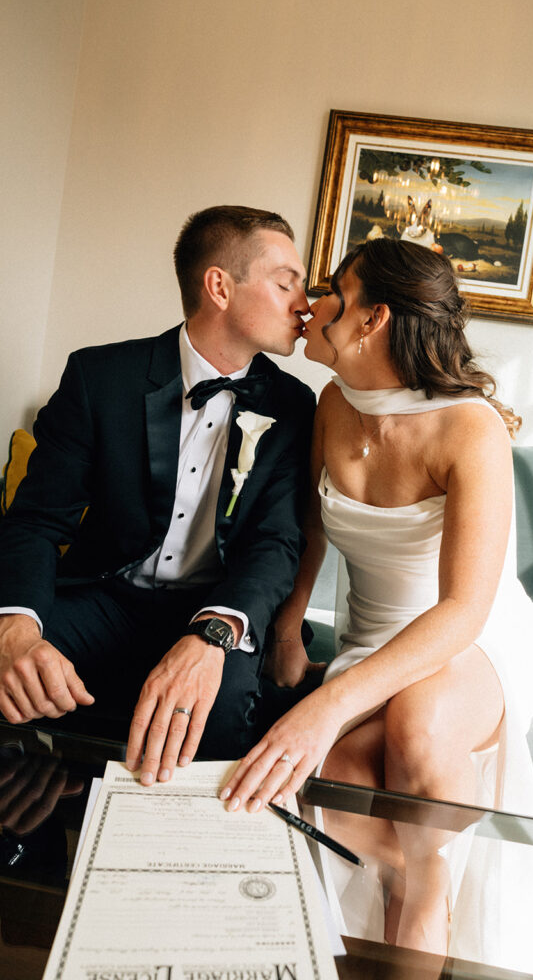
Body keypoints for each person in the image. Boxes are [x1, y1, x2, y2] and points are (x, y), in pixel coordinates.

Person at [224, 238, 533, 968]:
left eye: (330, 291)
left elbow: (463, 610)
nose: (309, 303)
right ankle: (400, 889)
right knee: (338, 782)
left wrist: (327, 705)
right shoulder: (331, 403)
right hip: (373, 638)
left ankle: (429, 899)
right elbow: (311, 527)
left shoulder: (469, 426)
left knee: (417, 723)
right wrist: (288, 630)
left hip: (475, 639)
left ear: (371, 319)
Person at [0, 205, 315, 787]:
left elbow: (274, 544)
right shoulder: (100, 377)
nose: (305, 304)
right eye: (285, 282)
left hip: (214, 605)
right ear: (219, 286)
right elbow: (38, 520)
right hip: (105, 596)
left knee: (214, 714)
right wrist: (15, 628)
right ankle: (29, 857)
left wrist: (215, 633)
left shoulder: (294, 407)